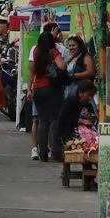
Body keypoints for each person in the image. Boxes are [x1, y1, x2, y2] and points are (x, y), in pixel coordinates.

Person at [30, 32, 67, 161]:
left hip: (38, 88)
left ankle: (42, 152)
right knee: (54, 120)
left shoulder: (36, 51)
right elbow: (62, 65)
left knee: (42, 121)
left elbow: (32, 69)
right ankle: (55, 151)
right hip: (51, 88)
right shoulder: (53, 51)